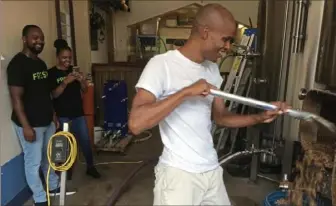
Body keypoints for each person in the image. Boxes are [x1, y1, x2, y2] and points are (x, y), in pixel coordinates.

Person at [128, 4, 290, 206]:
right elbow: (136, 123)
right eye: (226, 39)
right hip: (179, 176)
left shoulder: (211, 69)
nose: (228, 47)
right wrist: (186, 92)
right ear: (206, 32)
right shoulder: (161, 65)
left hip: (210, 169)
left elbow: (221, 117)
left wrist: (259, 116)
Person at [7, 25, 76, 206]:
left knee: (48, 158)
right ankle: (39, 198)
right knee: (33, 162)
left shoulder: (40, 63)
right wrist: (26, 127)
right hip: (30, 124)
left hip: (46, 121)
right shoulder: (17, 65)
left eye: (42, 38)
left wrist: (52, 114)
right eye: (35, 37)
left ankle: (52, 186)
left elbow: (45, 92)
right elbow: (16, 99)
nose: (39, 41)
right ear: (24, 39)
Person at [48, 39, 100, 179]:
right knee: (63, 144)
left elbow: (83, 90)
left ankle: (90, 167)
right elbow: (53, 94)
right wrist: (65, 82)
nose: (67, 61)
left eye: (69, 58)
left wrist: (82, 81)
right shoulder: (51, 73)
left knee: (85, 141)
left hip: (78, 114)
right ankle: (65, 171)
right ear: (58, 57)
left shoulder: (73, 70)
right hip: (62, 115)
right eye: (64, 57)